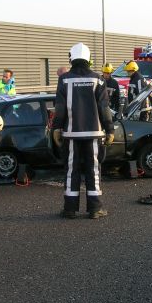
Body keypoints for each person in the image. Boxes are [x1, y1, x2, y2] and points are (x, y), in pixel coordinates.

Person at [52, 43, 114, 219]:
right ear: (88, 59)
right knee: (93, 170)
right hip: (94, 134)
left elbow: (60, 108)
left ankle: (70, 209)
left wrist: (56, 128)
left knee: (72, 170)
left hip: (71, 135)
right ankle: (95, 209)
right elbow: (104, 108)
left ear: (71, 58)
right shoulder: (98, 79)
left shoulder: (64, 79)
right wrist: (109, 129)